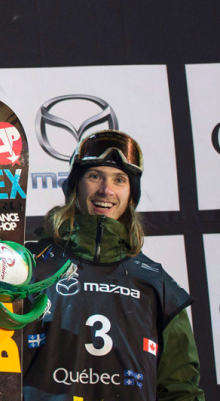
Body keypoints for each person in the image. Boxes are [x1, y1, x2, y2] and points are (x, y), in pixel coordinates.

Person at [22, 129, 203, 401]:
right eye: (95, 176)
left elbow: (181, 391)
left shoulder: (158, 285)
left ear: (131, 195)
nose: (106, 190)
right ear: (75, 187)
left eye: (119, 180)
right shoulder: (27, 267)